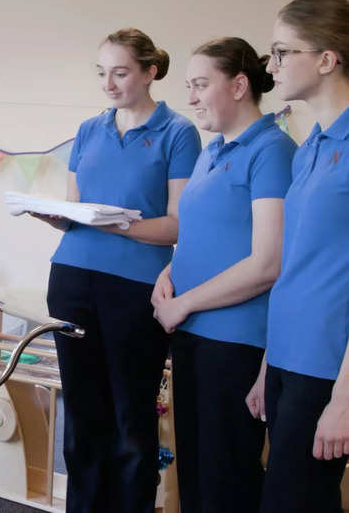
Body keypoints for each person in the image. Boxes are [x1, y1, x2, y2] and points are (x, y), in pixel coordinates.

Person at [34, 28, 201, 513]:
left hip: (134, 288)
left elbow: (176, 225)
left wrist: (119, 225)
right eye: (102, 73)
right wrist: (58, 217)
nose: (109, 84)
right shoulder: (89, 130)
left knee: (131, 416)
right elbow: (76, 208)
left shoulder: (178, 133)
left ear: (150, 72)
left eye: (121, 72)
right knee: (83, 414)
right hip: (71, 279)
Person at [151, 38, 295, 513]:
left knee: (224, 481)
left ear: (238, 85)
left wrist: (185, 302)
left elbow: (266, 263)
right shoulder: (212, 151)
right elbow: (205, 236)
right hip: (191, 337)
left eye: (200, 84)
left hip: (233, 344)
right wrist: (169, 272)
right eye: (188, 86)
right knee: (193, 477)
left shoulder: (272, 150)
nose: (190, 97)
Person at [257, 0, 349, 512]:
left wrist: (345, 398)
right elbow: (296, 266)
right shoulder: (310, 143)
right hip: (289, 357)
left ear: (326, 58)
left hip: (330, 368)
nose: (271, 67)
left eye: (281, 52)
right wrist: (269, 363)